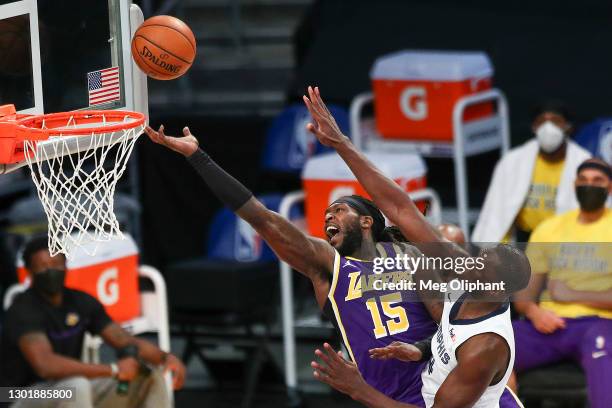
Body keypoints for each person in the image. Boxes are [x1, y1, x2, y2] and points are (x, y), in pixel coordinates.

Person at [145, 124, 438, 405]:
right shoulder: (331, 268)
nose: (328, 217)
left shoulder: (409, 257)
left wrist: (420, 349)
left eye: (339, 210)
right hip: (389, 399)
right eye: (326, 214)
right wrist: (198, 157)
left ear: (366, 221)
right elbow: (261, 218)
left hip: (444, 384)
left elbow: (455, 322)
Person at [302, 86, 530, 407]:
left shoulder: (485, 346)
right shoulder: (464, 276)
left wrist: (358, 388)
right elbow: (401, 208)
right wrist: (341, 143)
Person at [0, 236, 186, 408]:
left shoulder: (80, 301)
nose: (51, 271)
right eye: (43, 266)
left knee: (149, 375)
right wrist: (112, 369)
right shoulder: (22, 309)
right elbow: (45, 365)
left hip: (66, 388)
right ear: (30, 272)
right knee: (76, 386)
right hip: (15, 394)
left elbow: (122, 339)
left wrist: (165, 358)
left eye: (56, 264)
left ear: (66, 265)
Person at [512, 158, 612, 408]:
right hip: (550, 324)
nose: (590, 185)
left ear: (609, 187)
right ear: (575, 184)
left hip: (599, 324)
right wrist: (534, 312)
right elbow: (524, 294)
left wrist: (571, 293)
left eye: (597, 180)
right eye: (584, 180)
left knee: (602, 346)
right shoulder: (550, 228)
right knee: (494, 339)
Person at [472, 102, 591, 242]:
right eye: (541, 122)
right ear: (534, 127)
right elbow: (497, 213)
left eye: (556, 121)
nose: (548, 128)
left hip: (565, 243)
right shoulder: (513, 161)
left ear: (568, 127)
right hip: (525, 239)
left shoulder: (584, 163)